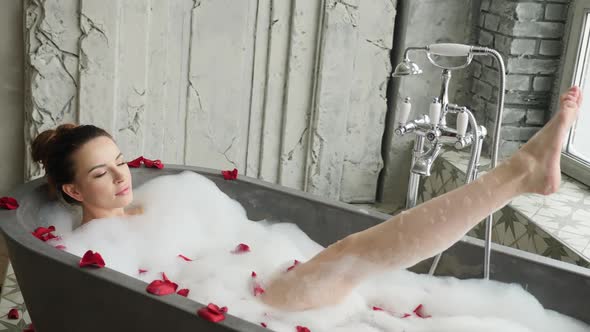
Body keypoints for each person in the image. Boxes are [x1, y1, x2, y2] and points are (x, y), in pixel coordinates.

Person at [31, 87, 583, 312]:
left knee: (360, 259)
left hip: (253, 277)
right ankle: (517, 175)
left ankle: (520, 175)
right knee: (358, 254)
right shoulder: (86, 247)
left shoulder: (163, 204)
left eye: (122, 161)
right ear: (75, 190)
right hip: (266, 300)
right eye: (102, 174)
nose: (123, 177)